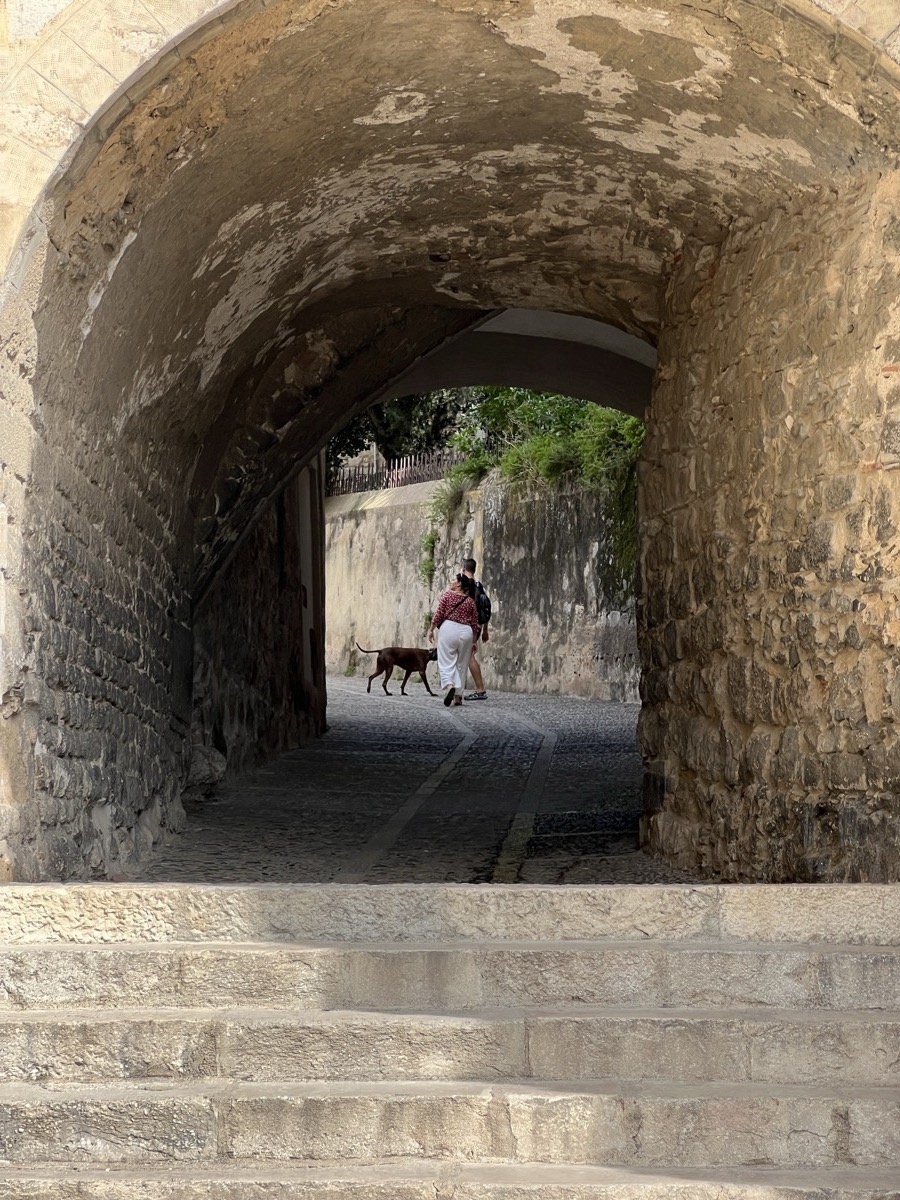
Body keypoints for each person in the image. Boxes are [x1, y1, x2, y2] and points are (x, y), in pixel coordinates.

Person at [428, 574, 481, 707]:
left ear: (459, 584)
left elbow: (439, 613)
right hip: (466, 632)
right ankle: (458, 696)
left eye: (454, 580)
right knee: (462, 664)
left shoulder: (448, 595)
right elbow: (475, 623)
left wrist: (431, 629)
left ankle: (450, 685)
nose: (451, 582)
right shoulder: (470, 601)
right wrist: (474, 641)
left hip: (449, 629)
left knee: (446, 661)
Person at [462, 557, 490, 700]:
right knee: (467, 655)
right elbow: (485, 607)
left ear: (463, 569)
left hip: (466, 625)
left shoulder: (465, 586)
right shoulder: (480, 585)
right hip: (477, 626)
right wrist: (485, 629)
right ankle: (460, 689)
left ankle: (480, 690)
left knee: (468, 656)